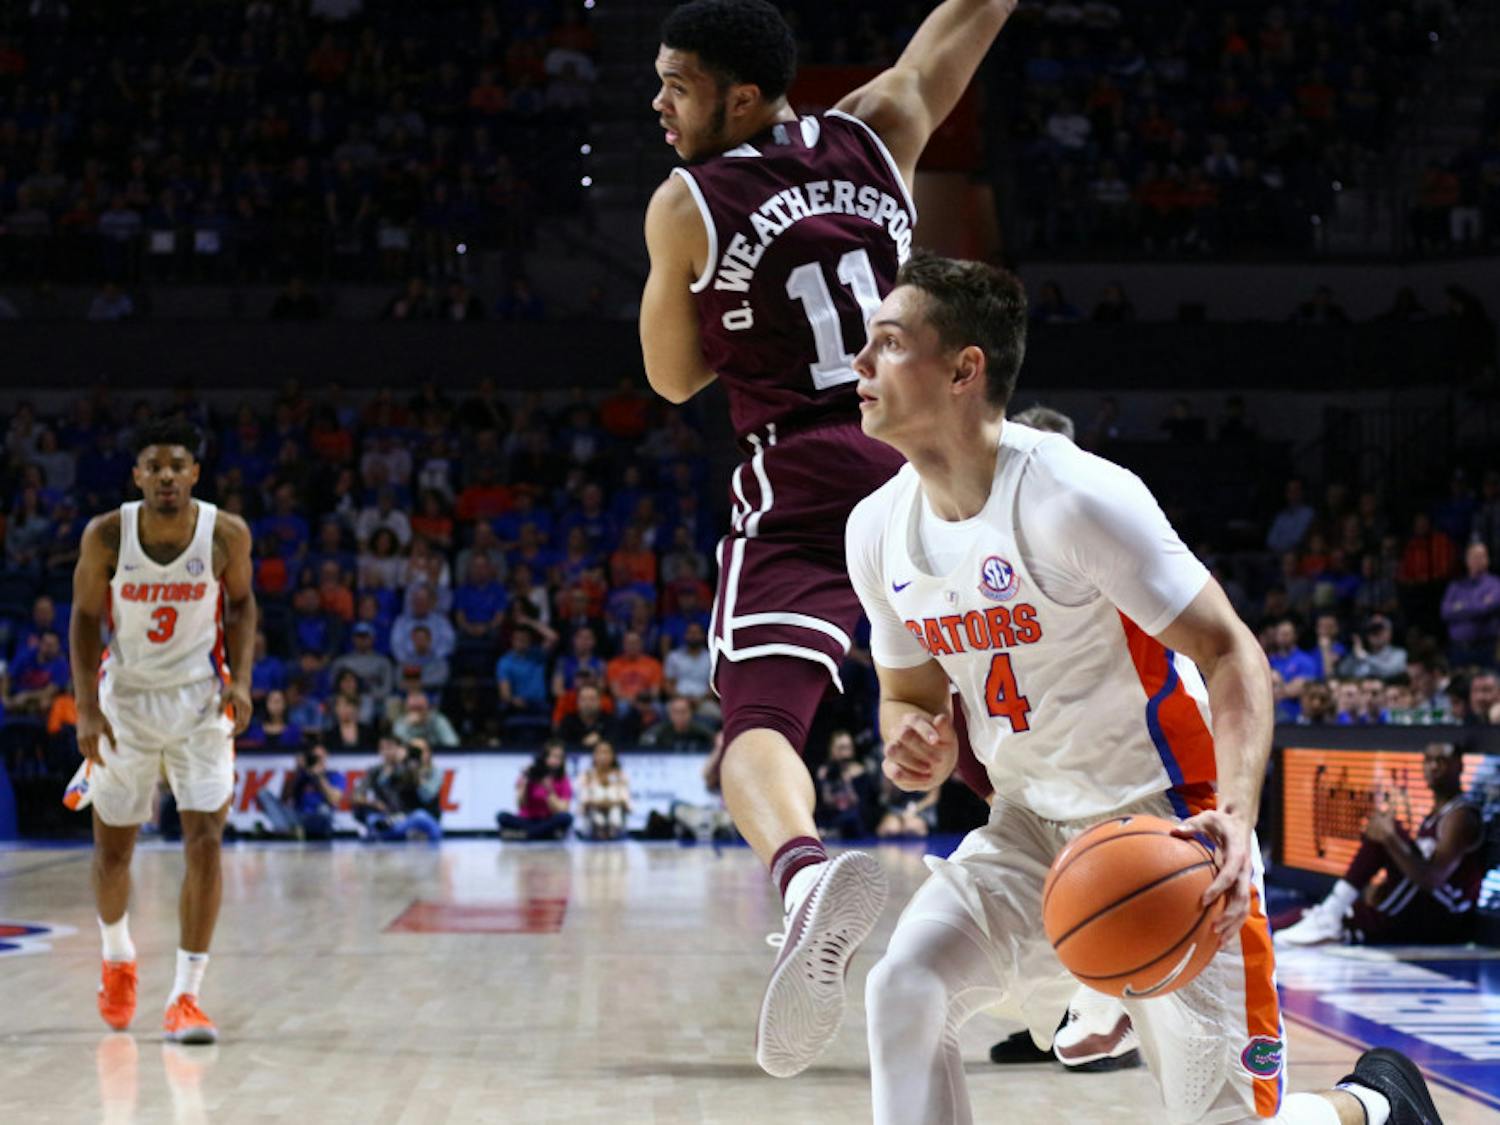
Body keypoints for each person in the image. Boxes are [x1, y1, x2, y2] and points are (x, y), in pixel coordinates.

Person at [843, 254, 1439, 1125]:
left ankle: (1372, 1105)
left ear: (966, 369)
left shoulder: (1073, 496)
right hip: (1026, 823)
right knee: (904, 985)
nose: (859, 364)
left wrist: (1233, 816)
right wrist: (911, 733)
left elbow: (1232, 651)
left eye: (889, 343)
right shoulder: (875, 530)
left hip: (1165, 823)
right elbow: (907, 693)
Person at [638, 0, 1016, 1078]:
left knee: (759, 715)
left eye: (677, 84)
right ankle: (1118, 910)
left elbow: (673, 376)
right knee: (995, 725)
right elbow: (967, 19)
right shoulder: (878, 129)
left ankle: (805, 877)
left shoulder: (688, 202)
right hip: (921, 463)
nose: (658, 104)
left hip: (802, 468)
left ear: (741, 97)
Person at [68, 418, 256, 1044]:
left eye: (179, 465)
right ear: (138, 475)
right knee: (113, 852)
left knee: (204, 840)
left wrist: (243, 680)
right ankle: (118, 955)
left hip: (201, 703)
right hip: (126, 702)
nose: (168, 476)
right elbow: (85, 617)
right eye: (156, 466)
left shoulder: (225, 532)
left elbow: (244, 604)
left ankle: (186, 997)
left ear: (195, 474)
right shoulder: (107, 534)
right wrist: (86, 710)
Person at [1277, 740, 1483, 948]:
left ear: (1460, 766)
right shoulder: (1435, 814)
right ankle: (1329, 915)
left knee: (1387, 835)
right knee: (1320, 913)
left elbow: (1432, 879)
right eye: (1428, 760)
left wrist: (1390, 838)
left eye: (1442, 760)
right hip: (1422, 904)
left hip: (1447, 916)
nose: (1433, 766)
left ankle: (1336, 916)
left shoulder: (1461, 816)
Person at [258, 743, 346, 840]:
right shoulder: (301, 774)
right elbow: (284, 798)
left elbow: (334, 800)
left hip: (318, 816)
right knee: (263, 794)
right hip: (298, 816)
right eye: (314, 757)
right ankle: (287, 831)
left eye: (320, 757)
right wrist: (297, 771)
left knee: (324, 810)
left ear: (326, 757)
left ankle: (288, 833)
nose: (317, 760)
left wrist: (319, 776)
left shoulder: (334, 775)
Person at [498, 740, 574, 840]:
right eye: (554, 756)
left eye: (560, 758)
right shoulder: (530, 774)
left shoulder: (563, 779)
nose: (557, 761)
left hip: (547, 820)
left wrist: (549, 790)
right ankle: (542, 834)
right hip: (527, 819)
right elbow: (520, 805)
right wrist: (525, 784)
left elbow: (563, 809)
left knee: (566, 818)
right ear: (544, 757)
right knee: (501, 816)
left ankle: (526, 834)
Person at [577, 740, 631, 840]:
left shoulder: (620, 775)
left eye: (606, 752)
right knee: (597, 813)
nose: (603, 756)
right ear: (594, 755)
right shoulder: (586, 776)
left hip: (615, 815)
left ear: (613, 755)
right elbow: (583, 803)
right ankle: (599, 830)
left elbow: (627, 803)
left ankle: (613, 831)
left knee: (615, 811)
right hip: (593, 818)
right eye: (599, 752)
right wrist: (600, 803)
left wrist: (610, 803)